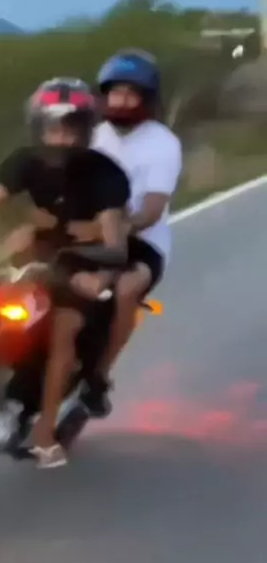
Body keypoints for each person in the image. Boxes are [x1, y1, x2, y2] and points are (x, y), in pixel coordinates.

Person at [0, 77, 131, 467]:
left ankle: (44, 431)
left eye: (71, 129)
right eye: (53, 128)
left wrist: (82, 262)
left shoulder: (106, 174)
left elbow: (114, 243)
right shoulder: (25, 162)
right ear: (38, 129)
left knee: (64, 330)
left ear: (86, 132)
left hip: (85, 262)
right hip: (40, 255)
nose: (61, 138)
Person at [86, 49, 182, 417]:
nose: (121, 101)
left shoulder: (163, 143)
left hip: (144, 241)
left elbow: (152, 209)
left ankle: (99, 376)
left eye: (130, 94)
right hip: (91, 231)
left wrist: (123, 227)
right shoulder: (94, 136)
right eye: (115, 92)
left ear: (147, 99)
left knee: (126, 289)